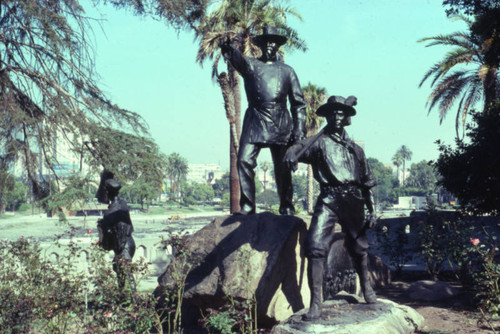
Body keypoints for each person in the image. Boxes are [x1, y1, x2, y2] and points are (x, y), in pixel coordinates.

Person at [284, 95, 377, 321]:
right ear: (326, 116)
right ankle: (315, 303)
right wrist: (291, 150)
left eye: (341, 113)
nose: (337, 116)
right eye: (333, 113)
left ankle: (366, 286)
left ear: (346, 118)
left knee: (359, 247)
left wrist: (373, 208)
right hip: (329, 199)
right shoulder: (318, 143)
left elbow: (367, 181)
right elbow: (297, 151)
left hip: (354, 199)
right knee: (315, 246)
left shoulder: (356, 149)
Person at [220, 26, 306, 215]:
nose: (270, 45)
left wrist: (299, 129)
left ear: (278, 46)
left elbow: (299, 104)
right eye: (266, 42)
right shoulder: (251, 65)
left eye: (273, 42)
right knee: (243, 160)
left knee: (283, 168)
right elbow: (238, 60)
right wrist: (228, 48)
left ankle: (286, 206)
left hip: (280, 123)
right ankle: (248, 205)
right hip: (255, 121)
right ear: (260, 45)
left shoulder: (287, 71)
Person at [96, 169, 136, 293]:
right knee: (120, 270)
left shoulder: (115, 209)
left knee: (125, 271)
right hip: (125, 243)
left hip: (124, 245)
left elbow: (121, 233)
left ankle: (131, 299)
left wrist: (104, 227)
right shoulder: (120, 204)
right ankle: (125, 297)